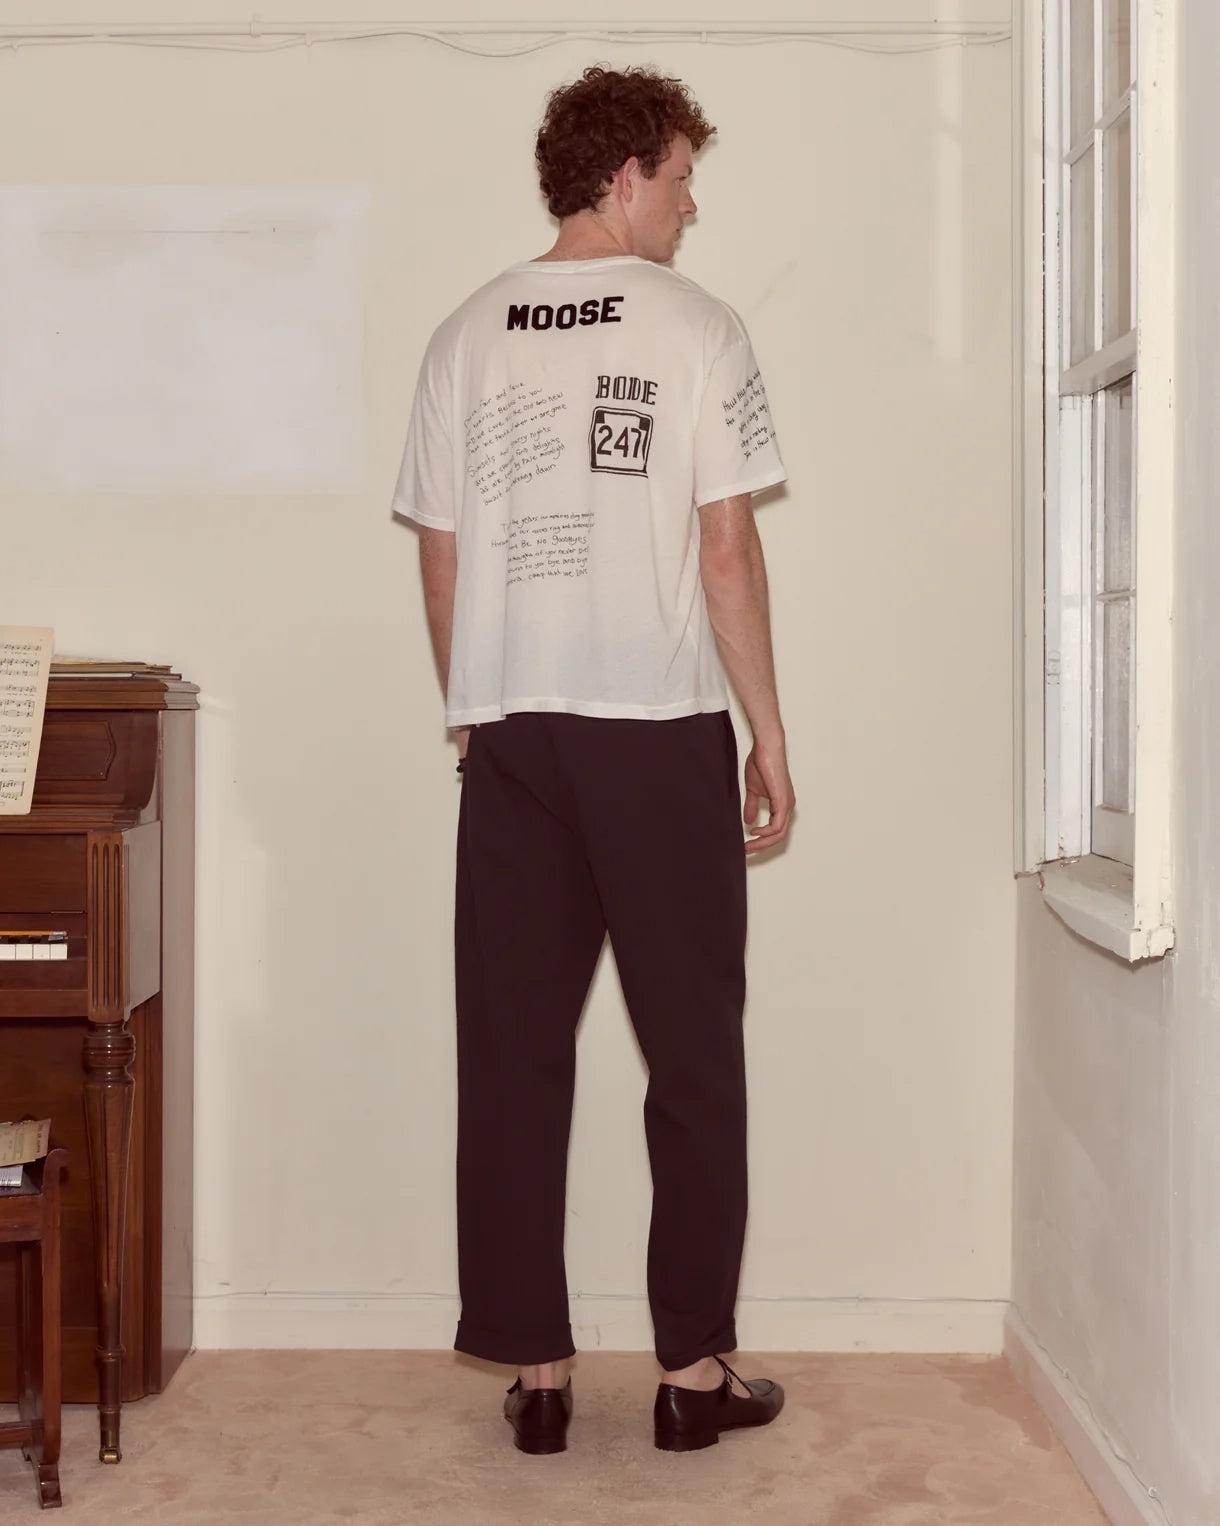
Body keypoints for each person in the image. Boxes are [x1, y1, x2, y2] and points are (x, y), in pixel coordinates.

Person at [393, 63, 795, 1455]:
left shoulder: (464, 334)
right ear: (624, 176)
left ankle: (541, 1371)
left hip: (515, 734)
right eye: (682, 176)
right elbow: (726, 547)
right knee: (692, 1055)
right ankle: (693, 1373)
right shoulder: (698, 327)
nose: (692, 204)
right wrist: (769, 734)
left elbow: (442, 559)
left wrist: (476, 705)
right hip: (657, 728)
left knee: (510, 1053)